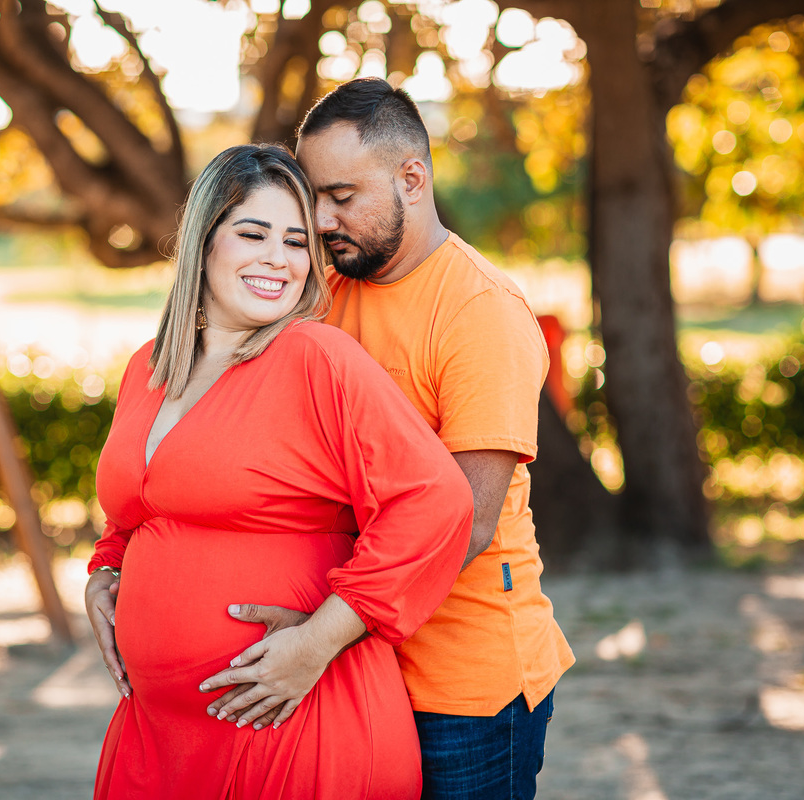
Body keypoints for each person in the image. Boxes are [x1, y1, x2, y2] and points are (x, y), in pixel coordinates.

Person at [199, 79, 576, 799]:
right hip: (345, 656)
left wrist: (319, 635)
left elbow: (462, 521)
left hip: (460, 683)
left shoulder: (480, 313)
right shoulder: (323, 290)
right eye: (313, 196)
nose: (321, 218)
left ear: (413, 178)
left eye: (342, 196)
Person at [84, 143, 475, 799]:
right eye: (254, 233)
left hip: (294, 720)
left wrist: (317, 642)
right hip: (164, 735)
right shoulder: (148, 367)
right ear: (203, 240)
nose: (279, 259)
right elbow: (135, 510)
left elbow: (435, 504)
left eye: (297, 242)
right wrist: (106, 572)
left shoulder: (315, 356)